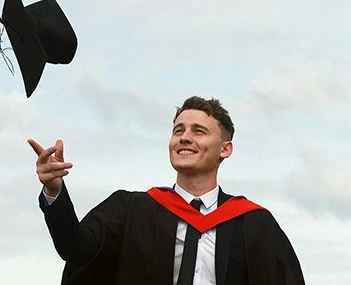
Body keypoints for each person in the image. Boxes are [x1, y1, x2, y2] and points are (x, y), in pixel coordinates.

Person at [28, 96, 305, 285]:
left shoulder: (255, 224)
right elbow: (75, 248)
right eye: (178, 130)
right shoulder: (130, 210)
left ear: (225, 149)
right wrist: (55, 191)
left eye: (199, 131)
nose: (184, 137)